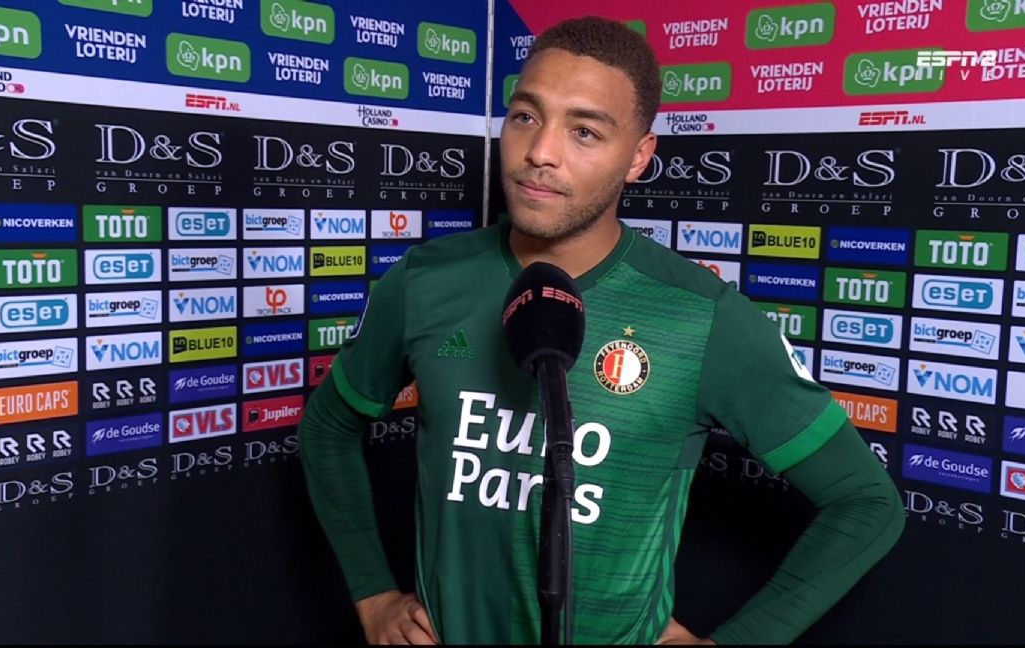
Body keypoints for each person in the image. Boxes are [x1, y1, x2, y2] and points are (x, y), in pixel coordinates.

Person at [299, 15, 905, 645]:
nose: (540, 152)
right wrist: (373, 595)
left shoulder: (702, 316)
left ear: (638, 157)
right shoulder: (426, 280)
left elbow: (866, 503)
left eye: (584, 131)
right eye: (526, 116)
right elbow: (328, 426)